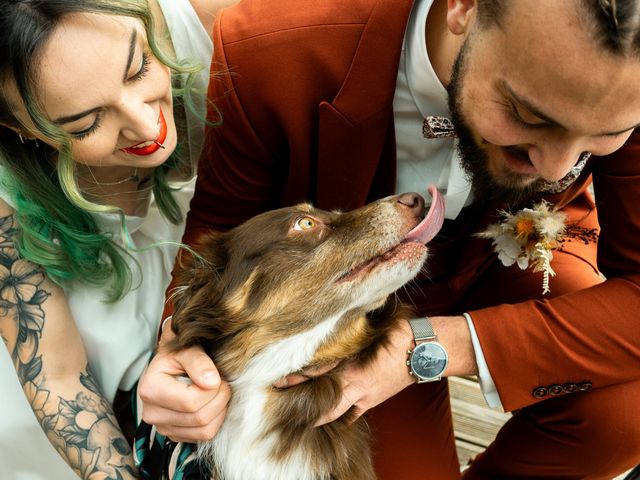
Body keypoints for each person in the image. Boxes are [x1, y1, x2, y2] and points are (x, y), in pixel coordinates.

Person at [138, 0, 640, 478]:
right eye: (529, 116)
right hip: (346, 310)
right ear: (463, 8)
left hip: (511, 264)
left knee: (626, 413)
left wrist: (442, 344)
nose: (556, 168)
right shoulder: (273, 46)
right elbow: (219, 237)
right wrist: (184, 360)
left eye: (602, 138)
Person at [0, 0, 239, 478]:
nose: (148, 126)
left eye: (139, 68)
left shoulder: (229, 26)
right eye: (86, 123)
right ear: (21, 128)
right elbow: (58, 375)